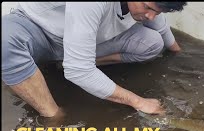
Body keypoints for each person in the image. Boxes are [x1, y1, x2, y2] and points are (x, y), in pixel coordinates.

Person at [2, 2, 187, 120]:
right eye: (147, 7)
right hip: (39, 31)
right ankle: (54, 115)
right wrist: (138, 102)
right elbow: (79, 71)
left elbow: (160, 25)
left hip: (86, 39)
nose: (150, 15)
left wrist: (178, 53)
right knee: (4, 40)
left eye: (157, 11)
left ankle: (72, 62)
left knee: (153, 43)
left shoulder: (149, 8)